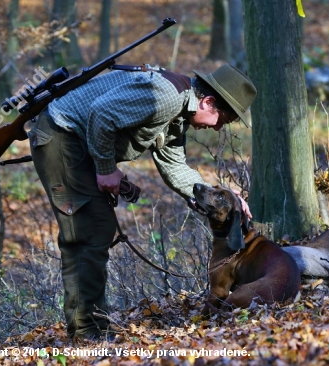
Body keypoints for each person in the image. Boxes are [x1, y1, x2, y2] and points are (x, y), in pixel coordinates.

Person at [28, 64, 257, 341]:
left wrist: (220, 198)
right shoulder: (165, 97)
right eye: (223, 118)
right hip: (62, 134)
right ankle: (87, 332)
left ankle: (91, 326)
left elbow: (175, 166)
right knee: (88, 233)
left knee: (95, 230)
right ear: (208, 102)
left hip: (77, 141)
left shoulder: (178, 114)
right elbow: (102, 114)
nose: (220, 128)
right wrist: (104, 168)